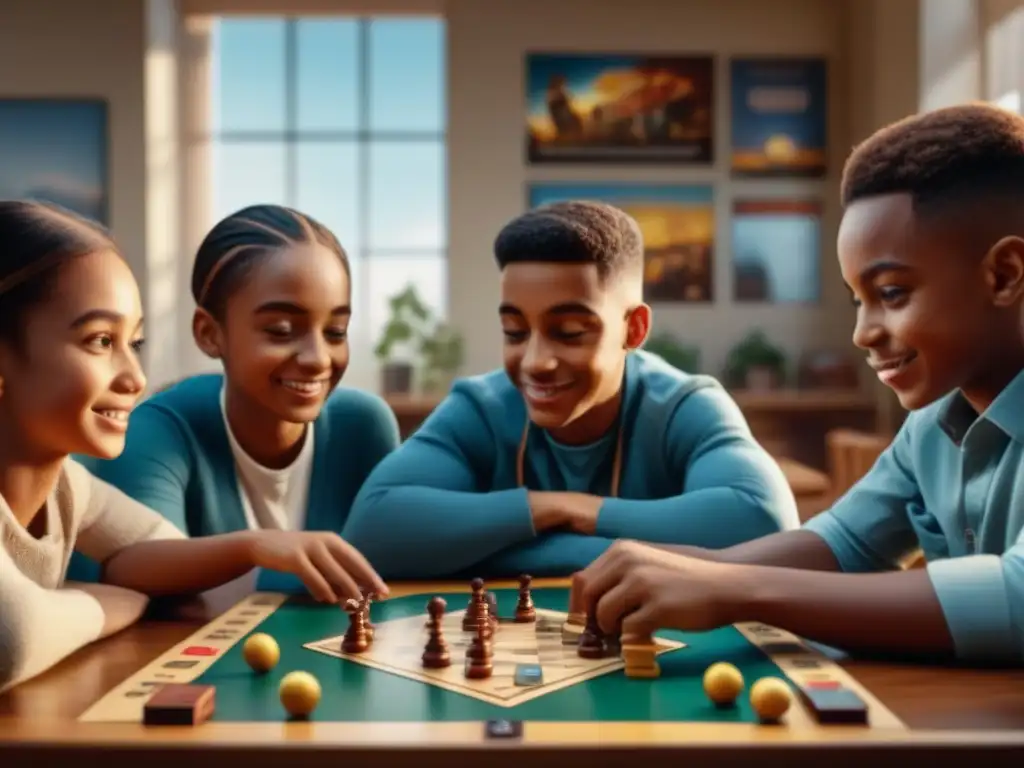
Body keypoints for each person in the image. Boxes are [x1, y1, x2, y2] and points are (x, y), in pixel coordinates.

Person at [572, 103, 1024, 665]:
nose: (862, 333)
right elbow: (844, 544)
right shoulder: (930, 425)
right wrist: (685, 568)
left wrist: (732, 590)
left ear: (1004, 275)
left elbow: (1017, 596)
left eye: (892, 294)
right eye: (857, 300)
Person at [0, 201, 387, 693]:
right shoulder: (159, 430)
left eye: (133, 343)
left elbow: (156, 556)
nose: (136, 378)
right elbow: (14, 635)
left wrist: (253, 546)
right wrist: (115, 602)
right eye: (99, 341)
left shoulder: (68, 485)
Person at [343, 201, 799, 579]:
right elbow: (375, 530)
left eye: (570, 332)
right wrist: (553, 508)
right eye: (515, 331)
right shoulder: (480, 409)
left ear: (633, 328)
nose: (536, 363)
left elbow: (763, 524)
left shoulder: (685, 406)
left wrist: (565, 521)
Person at [80, 205, 399, 592]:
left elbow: (385, 564)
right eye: (281, 330)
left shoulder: (364, 427)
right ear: (209, 333)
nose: (318, 359)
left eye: (335, 331)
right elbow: (137, 572)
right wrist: (257, 548)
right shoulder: (158, 428)